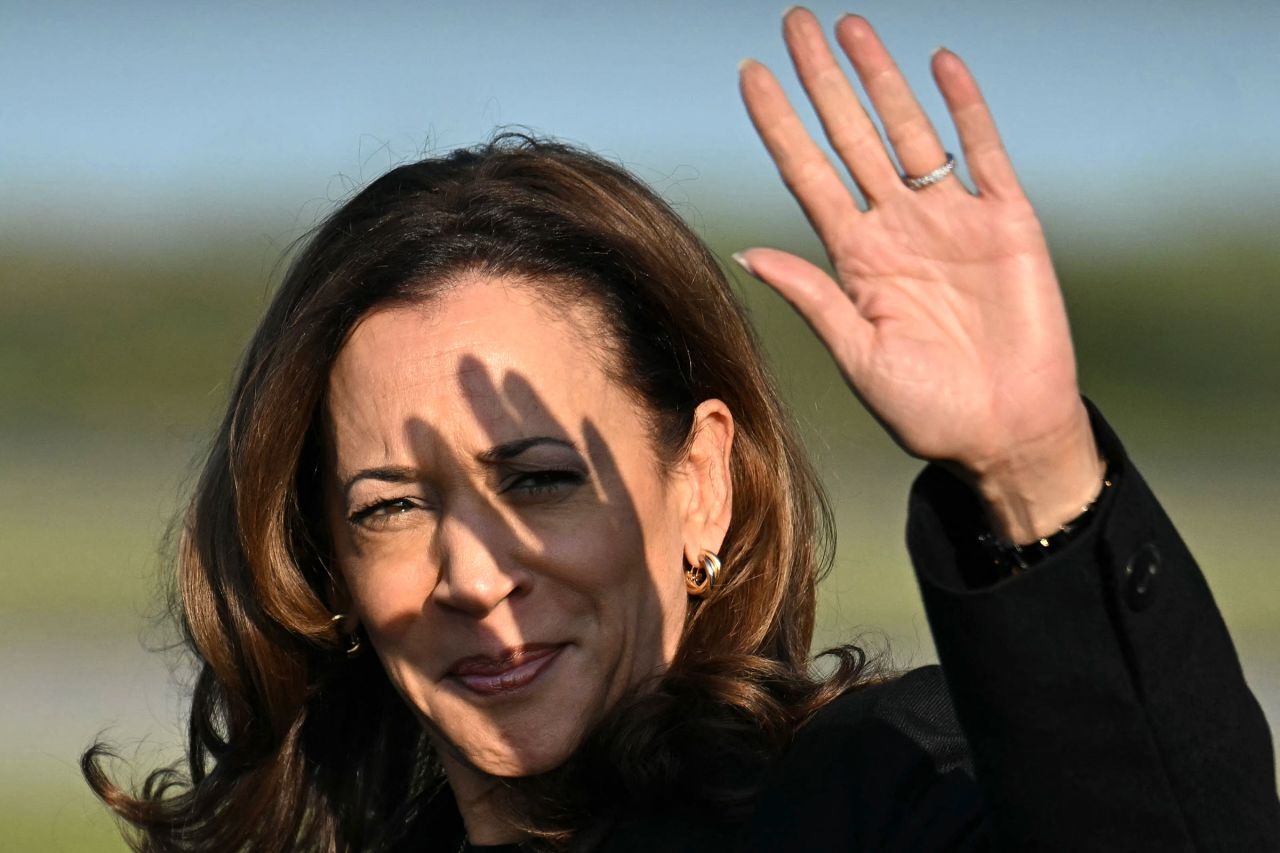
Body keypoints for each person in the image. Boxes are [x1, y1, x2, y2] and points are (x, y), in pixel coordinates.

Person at [83, 9, 1277, 851]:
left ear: (698, 483)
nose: (474, 574)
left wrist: (1029, 470)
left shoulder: (871, 795)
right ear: (324, 562)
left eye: (541, 478)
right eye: (390, 504)